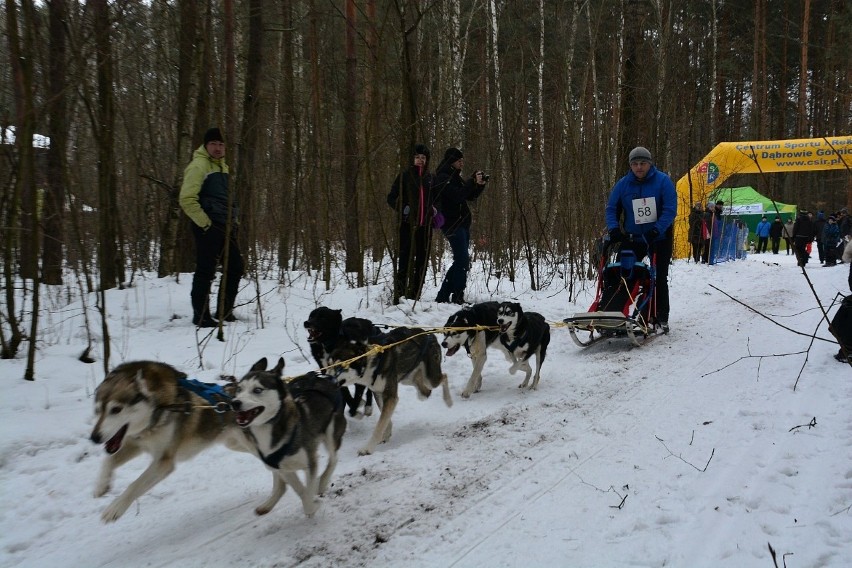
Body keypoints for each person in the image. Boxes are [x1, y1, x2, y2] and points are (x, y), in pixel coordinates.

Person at [605, 146, 677, 332]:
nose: (639, 167)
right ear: (630, 165)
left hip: (658, 238)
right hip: (633, 238)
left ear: (649, 163)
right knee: (622, 274)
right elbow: (611, 208)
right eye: (635, 164)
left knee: (659, 277)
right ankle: (614, 314)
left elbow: (670, 209)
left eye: (642, 163)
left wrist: (657, 230)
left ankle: (661, 317)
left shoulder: (663, 181)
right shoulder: (623, 184)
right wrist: (614, 230)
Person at [179, 127, 244, 327]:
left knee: (235, 267)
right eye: (213, 144)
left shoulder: (222, 167)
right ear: (205, 146)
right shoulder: (199, 166)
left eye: (221, 144)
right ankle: (201, 316)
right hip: (208, 227)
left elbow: (225, 199)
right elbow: (186, 199)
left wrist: (234, 221)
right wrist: (205, 224)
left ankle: (225, 312)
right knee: (205, 271)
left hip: (224, 227)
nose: (217, 148)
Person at [387, 143, 439, 304]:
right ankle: (401, 294)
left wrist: (434, 210)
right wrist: (403, 208)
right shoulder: (405, 176)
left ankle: (415, 295)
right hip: (407, 226)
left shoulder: (430, 178)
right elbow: (391, 197)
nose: (420, 160)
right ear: (412, 159)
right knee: (404, 259)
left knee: (422, 262)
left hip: (425, 227)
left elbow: (437, 199)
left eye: (423, 158)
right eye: (417, 157)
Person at [434, 147, 486, 304]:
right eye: (459, 161)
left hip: (462, 223)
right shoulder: (443, 177)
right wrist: (470, 182)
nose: (461, 163)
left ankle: (446, 295)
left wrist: (478, 185)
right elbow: (457, 196)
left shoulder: (455, 176)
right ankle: (455, 295)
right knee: (462, 260)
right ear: (451, 161)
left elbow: (469, 196)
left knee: (461, 261)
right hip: (451, 224)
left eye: (462, 160)